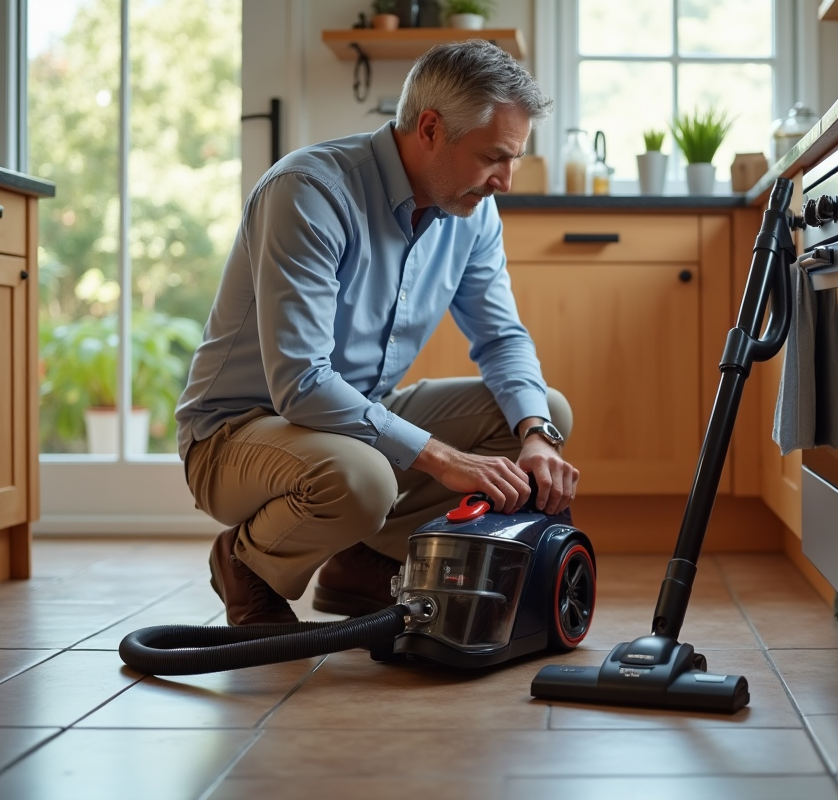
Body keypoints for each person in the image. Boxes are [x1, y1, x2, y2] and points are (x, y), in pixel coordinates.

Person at [175, 40, 580, 626]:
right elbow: (302, 384)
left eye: (513, 158)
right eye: (494, 156)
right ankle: (247, 563)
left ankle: (362, 561)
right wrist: (442, 458)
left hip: (354, 417)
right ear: (432, 129)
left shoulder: (472, 213)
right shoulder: (310, 193)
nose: (506, 181)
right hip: (235, 434)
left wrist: (537, 434)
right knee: (362, 478)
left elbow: (502, 339)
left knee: (546, 412)